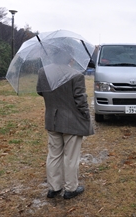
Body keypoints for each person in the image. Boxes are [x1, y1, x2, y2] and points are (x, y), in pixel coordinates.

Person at [37, 48, 94, 199]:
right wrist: (86, 117)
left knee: (54, 155)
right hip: (72, 121)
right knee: (71, 157)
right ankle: (70, 189)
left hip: (52, 119)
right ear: (70, 59)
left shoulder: (43, 72)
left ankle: (54, 188)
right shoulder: (75, 75)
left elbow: (40, 91)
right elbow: (81, 100)